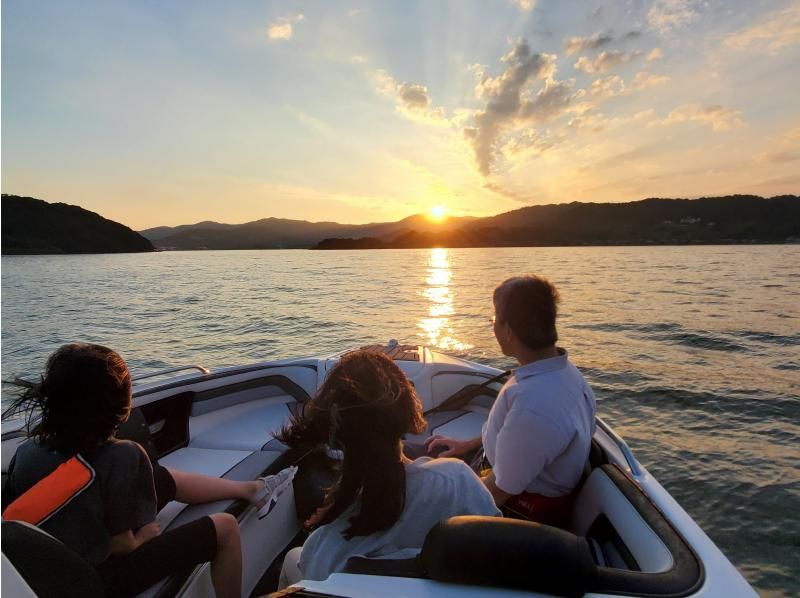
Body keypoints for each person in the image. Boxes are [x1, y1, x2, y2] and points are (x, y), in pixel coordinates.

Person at [2, 343, 295, 598]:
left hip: (45, 569)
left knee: (159, 477)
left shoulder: (28, 452)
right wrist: (144, 536)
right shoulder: (121, 455)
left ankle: (251, 489)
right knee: (225, 527)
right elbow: (122, 545)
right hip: (94, 581)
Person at [276, 350, 500, 586]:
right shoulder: (458, 482)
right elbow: (498, 546)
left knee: (293, 558)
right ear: (405, 414)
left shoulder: (323, 547)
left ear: (336, 438)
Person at [426, 275, 596, 527]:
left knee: (418, 484)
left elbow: (496, 493)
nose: (492, 325)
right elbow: (518, 442)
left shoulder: (536, 405)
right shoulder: (561, 372)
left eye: (494, 318)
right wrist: (469, 445)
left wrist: (435, 513)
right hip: (494, 469)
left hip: (516, 510)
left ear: (507, 331)